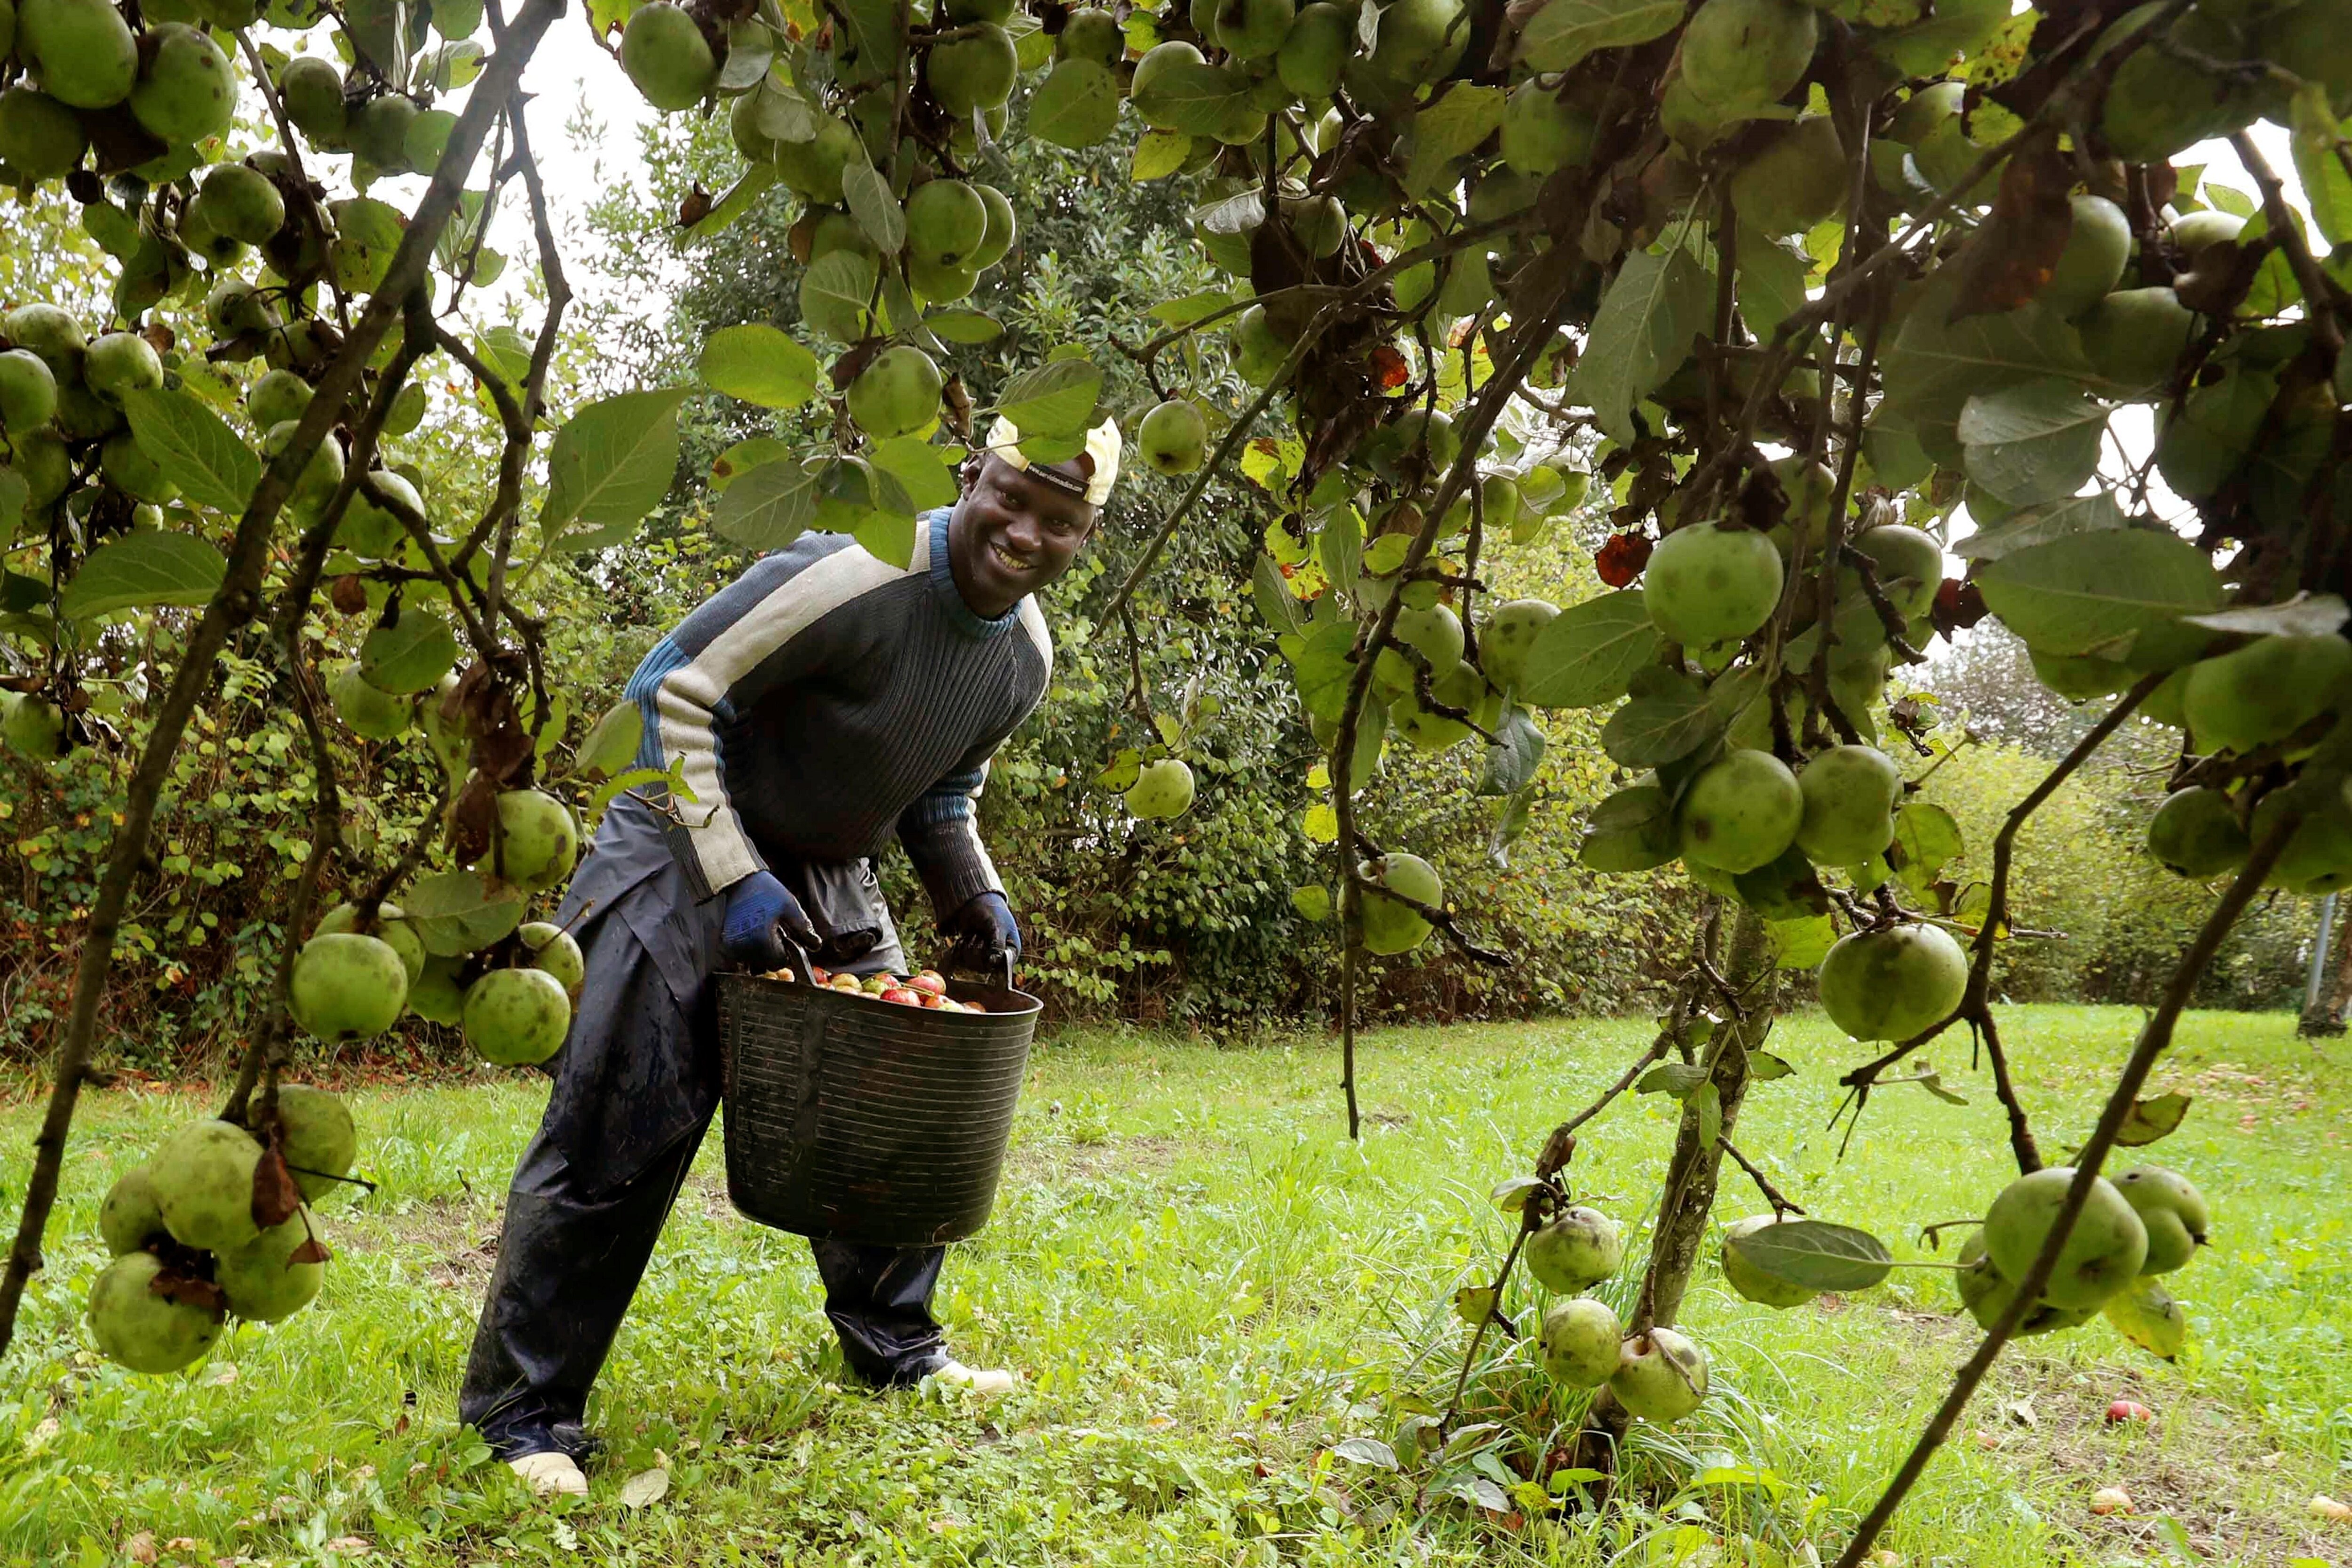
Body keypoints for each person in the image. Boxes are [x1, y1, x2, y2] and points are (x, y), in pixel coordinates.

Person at [460, 418, 1121, 1497]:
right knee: (619, 1122)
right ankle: (521, 1413)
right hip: (678, 842)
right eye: (1012, 494)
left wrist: (976, 886)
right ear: (972, 477)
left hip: (823, 869)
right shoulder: (857, 566)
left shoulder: (1025, 656)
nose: (1025, 529)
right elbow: (669, 688)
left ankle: (899, 1349)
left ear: (1084, 536)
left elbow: (946, 788)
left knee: (895, 1100)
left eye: (1060, 519)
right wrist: (732, 868)